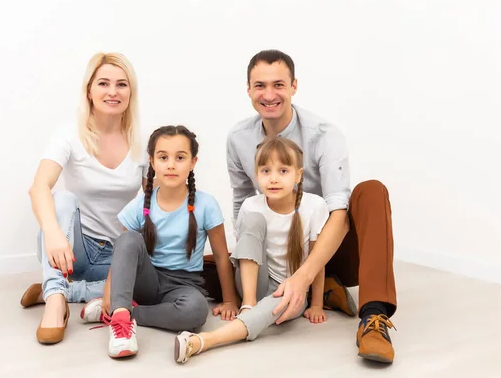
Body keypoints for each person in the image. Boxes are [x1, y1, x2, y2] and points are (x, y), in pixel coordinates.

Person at [207, 49, 398, 364]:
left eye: (279, 85)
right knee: (198, 270)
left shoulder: (325, 135)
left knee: (371, 192)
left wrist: (304, 276)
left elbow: (340, 214)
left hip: (328, 250)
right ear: (248, 90)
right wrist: (247, 256)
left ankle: (373, 318)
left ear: (294, 86)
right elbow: (242, 201)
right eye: (260, 86)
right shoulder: (238, 137)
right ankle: (323, 291)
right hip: (276, 256)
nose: (269, 95)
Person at [19, 52, 148, 345]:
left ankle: (61, 291)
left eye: (121, 84)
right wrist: (53, 235)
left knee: (145, 286)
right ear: (89, 91)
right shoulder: (69, 135)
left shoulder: (142, 142)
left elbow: (152, 204)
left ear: (131, 92)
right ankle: (55, 301)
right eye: (103, 83)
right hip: (70, 249)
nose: (113, 92)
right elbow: (39, 187)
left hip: (115, 256)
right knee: (62, 200)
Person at [83, 125, 239, 359]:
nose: (171, 165)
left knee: (196, 311)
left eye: (180, 157)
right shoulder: (140, 205)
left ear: (193, 162)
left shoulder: (207, 205)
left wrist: (229, 300)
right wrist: (108, 294)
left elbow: (220, 255)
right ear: (152, 162)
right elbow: (123, 254)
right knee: (128, 238)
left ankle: (124, 312)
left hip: (184, 286)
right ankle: (121, 322)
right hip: (146, 279)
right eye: (163, 157)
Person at [174, 136, 329, 364]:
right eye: (266, 171)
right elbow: (246, 252)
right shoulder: (251, 206)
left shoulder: (314, 206)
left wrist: (316, 304)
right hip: (254, 284)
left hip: (290, 290)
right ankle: (249, 305)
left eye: (283, 171)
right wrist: (243, 301)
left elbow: (317, 260)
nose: (273, 179)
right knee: (253, 220)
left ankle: (204, 341)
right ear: (257, 175)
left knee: (276, 304)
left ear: (298, 174)